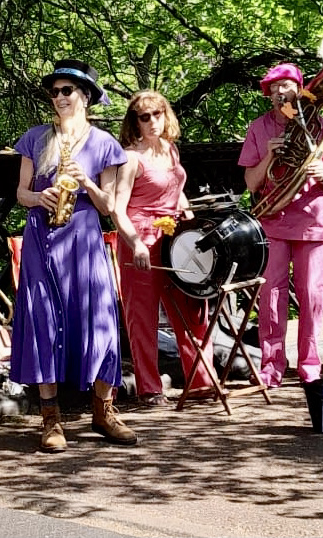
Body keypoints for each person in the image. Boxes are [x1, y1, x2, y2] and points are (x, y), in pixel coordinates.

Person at [12, 59, 135, 452]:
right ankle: (51, 419)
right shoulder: (35, 137)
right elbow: (21, 194)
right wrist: (39, 197)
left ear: (85, 97)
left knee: (99, 321)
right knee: (43, 322)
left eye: (67, 90)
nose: (59, 97)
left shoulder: (104, 144)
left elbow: (108, 207)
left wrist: (87, 183)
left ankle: (104, 411)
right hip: (42, 238)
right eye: (55, 92)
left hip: (84, 240)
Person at [239, 63, 323, 388]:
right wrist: (269, 158)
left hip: (315, 221)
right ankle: (271, 366)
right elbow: (251, 183)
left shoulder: (322, 125)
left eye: (286, 86)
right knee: (271, 297)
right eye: (273, 88)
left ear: (300, 90)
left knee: (313, 295)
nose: (279, 92)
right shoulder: (259, 128)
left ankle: (309, 365)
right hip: (273, 220)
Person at [112, 90, 217, 407]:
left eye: (157, 114)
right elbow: (117, 209)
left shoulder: (171, 149)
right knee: (142, 316)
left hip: (175, 237)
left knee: (191, 308)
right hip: (140, 238)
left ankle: (202, 383)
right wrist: (135, 244)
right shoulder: (130, 157)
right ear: (135, 122)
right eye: (144, 117)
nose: (152, 121)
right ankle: (149, 389)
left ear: (165, 114)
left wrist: (191, 221)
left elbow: (177, 191)